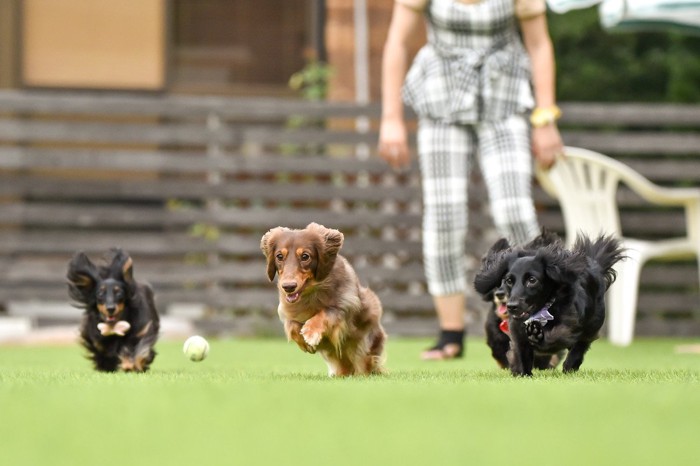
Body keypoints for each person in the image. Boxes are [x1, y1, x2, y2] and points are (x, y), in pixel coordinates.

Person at [378, 0, 564, 360]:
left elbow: (539, 45)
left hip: (504, 98)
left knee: (515, 211)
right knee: (445, 215)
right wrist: (391, 118)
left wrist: (545, 119)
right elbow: (397, 42)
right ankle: (450, 334)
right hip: (441, 101)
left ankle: (540, 326)